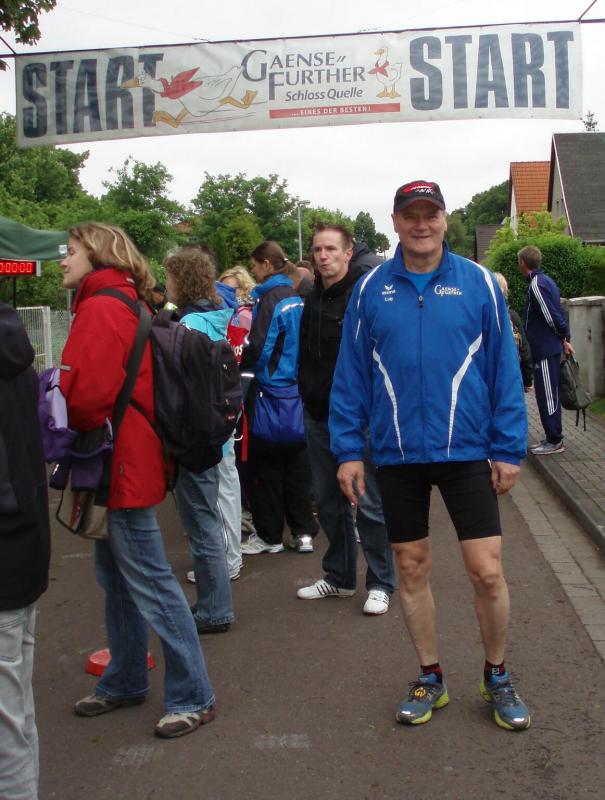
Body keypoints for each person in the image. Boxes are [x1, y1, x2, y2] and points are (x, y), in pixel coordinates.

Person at [330, 180, 531, 731]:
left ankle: (497, 674)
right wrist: (347, 450)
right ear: (395, 222)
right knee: (410, 567)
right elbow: (351, 375)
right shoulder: (370, 290)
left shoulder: (479, 283)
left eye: (430, 214)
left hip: (466, 449)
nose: (421, 224)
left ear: (445, 220)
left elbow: (503, 370)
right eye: (411, 215)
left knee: (486, 571)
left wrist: (508, 447)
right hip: (398, 454)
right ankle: (430, 676)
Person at [59, 223, 215, 739]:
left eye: (71, 251)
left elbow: (87, 398)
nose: (63, 259)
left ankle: (193, 694)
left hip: (119, 461)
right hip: (131, 456)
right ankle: (126, 679)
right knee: (120, 577)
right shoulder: (124, 299)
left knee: (148, 580)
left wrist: (59, 400)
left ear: (98, 254)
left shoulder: (101, 306)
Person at [296, 224, 395, 614]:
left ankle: (381, 582)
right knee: (327, 501)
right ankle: (339, 578)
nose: (323, 256)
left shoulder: (365, 295)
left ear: (348, 253)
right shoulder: (311, 298)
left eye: (331, 249)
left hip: (359, 419)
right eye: (318, 249)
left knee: (368, 503)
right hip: (318, 414)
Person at [164, 246, 237, 628]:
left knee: (203, 525)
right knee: (211, 517)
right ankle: (212, 603)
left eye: (169, 277)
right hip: (217, 431)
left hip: (195, 437)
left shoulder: (188, 325)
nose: (166, 284)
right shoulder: (218, 316)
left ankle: (215, 609)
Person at [0, 303, 51, 800]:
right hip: (23, 548)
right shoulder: (15, 349)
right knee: (15, 711)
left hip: (8, 553)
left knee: (6, 726)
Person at [239, 240, 318, 554]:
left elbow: (260, 346)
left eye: (255, 266)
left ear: (266, 265)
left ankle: (270, 536)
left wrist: (245, 367)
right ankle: (304, 533)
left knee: (266, 467)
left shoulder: (272, 298)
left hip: (271, 390)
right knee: (297, 464)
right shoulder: (297, 297)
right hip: (297, 390)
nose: (253, 272)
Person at [518, 245, 573, 455]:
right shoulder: (546, 281)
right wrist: (564, 338)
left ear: (523, 262)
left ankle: (555, 440)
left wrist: (564, 337)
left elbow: (551, 315)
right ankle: (551, 436)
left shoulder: (537, 285)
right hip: (547, 348)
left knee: (547, 396)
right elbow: (557, 311)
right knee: (546, 394)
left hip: (545, 349)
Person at [494, 272, 533, 391]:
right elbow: (524, 351)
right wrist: (527, 381)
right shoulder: (512, 317)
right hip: (510, 379)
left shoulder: (479, 317)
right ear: (505, 291)